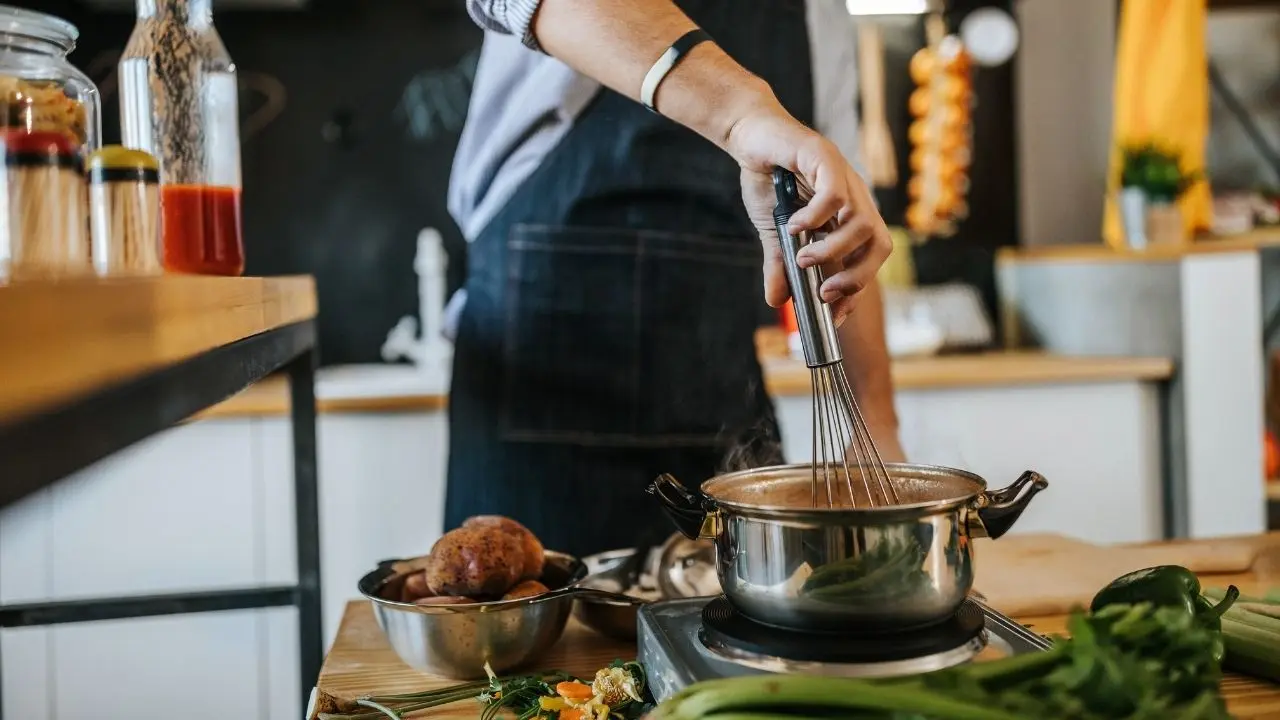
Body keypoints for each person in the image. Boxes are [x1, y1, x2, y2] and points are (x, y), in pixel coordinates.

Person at [445, 0, 906, 558]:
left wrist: (875, 428)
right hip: (540, 390)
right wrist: (742, 115)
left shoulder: (819, 12)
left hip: (720, 396)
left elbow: (838, 217)